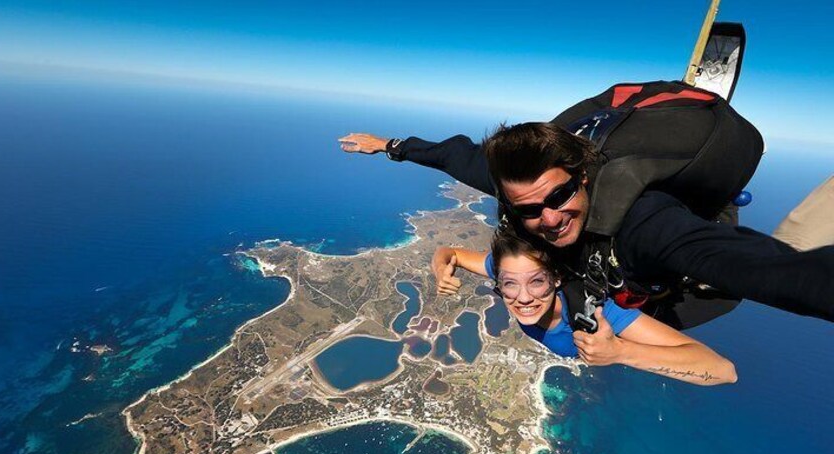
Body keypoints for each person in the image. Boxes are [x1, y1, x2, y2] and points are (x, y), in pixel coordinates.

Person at [340, 80, 834, 331]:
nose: (549, 218)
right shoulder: (518, 189)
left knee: (727, 280)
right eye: (531, 210)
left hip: (677, 263)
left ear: (582, 177)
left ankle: (724, 202)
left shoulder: (643, 221)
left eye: (559, 197)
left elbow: (755, 268)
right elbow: (453, 155)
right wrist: (388, 145)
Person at [431, 226, 736, 386]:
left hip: (669, 303)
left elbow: (722, 371)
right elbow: (449, 253)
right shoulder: (508, 267)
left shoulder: (598, 313)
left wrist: (620, 351)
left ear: (558, 279)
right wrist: (440, 270)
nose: (523, 297)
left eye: (537, 282)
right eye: (509, 284)